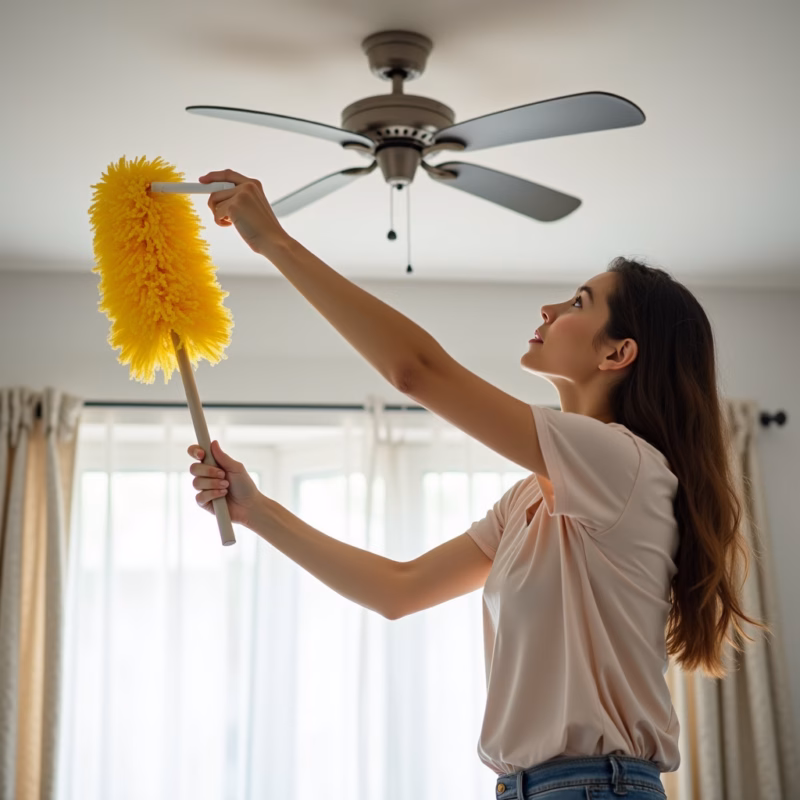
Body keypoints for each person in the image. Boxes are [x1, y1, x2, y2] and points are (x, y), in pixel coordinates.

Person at [186, 169, 768, 799]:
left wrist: (274, 241)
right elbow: (397, 589)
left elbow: (416, 372)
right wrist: (257, 510)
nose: (548, 309)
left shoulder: (628, 465)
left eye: (578, 303)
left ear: (617, 354)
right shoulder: (529, 500)